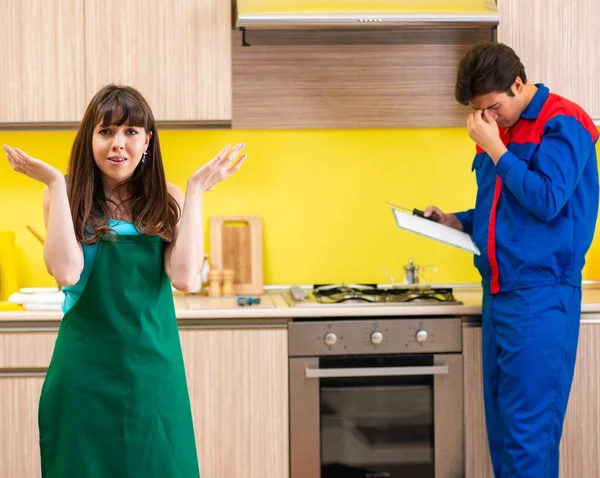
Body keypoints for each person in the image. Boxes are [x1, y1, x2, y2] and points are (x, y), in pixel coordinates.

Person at [3, 84, 246, 477]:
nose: (118, 144)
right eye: (106, 132)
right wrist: (54, 184)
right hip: (84, 373)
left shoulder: (166, 198)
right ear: (89, 139)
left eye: (130, 132)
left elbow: (184, 278)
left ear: (147, 140)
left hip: (153, 371)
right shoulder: (67, 196)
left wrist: (197, 191)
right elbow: (66, 273)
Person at [425, 42, 599, 477]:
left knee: (528, 441)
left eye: (492, 108)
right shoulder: (498, 130)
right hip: (499, 295)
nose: (487, 119)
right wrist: (455, 221)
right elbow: (499, 208)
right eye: (480, 112)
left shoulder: (565, 121)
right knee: (503, 438)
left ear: (517, 85)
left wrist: (495, 148)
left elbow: (547, 199)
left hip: (541, 296)